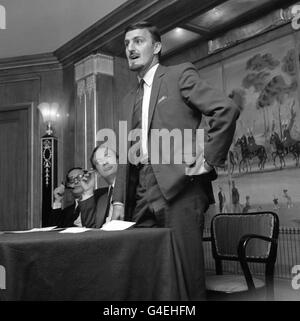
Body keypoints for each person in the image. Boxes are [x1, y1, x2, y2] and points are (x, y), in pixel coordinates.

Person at [112, 21, 239, 300]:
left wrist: (207, 159)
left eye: (138, 41)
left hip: (182, 189)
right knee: (145, 271)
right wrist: (119, 200)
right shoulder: (126, 100)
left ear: (156, 47)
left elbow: (225, 110)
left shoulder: (179, 74)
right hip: (141, 194)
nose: (131, 48)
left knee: (186, 276)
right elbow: (124, 153)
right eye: (127, 43)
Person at [90, 143, 118, 226]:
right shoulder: (101, 198)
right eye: (99, 161)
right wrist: (87, 193)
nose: (105, 162)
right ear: (97, 172)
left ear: (118, 160)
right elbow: (90, 229)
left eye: (108, 156)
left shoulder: (136, 188)